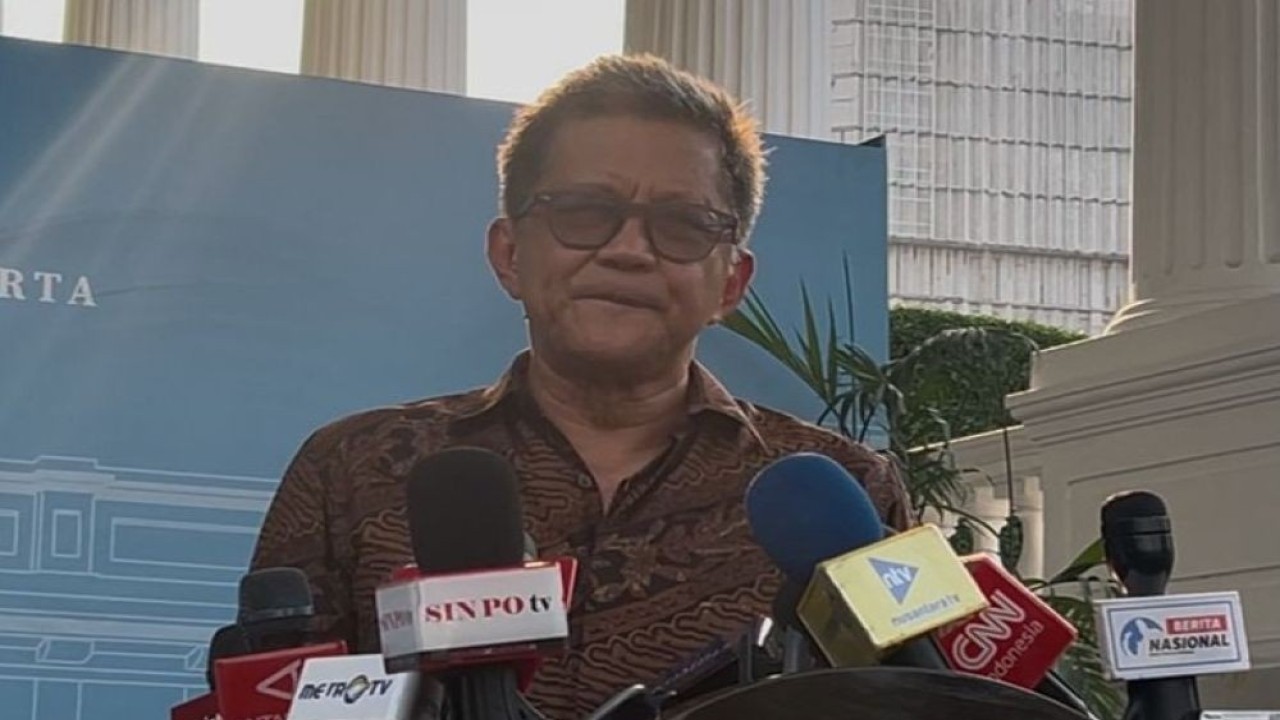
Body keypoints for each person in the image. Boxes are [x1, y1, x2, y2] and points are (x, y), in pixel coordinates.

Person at [250, 53, 911, 719]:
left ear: (731, 284)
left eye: (682, 224)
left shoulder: (850, 496)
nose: (628, 250)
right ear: (509, 255)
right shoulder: (350, 471)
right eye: (585, 211)